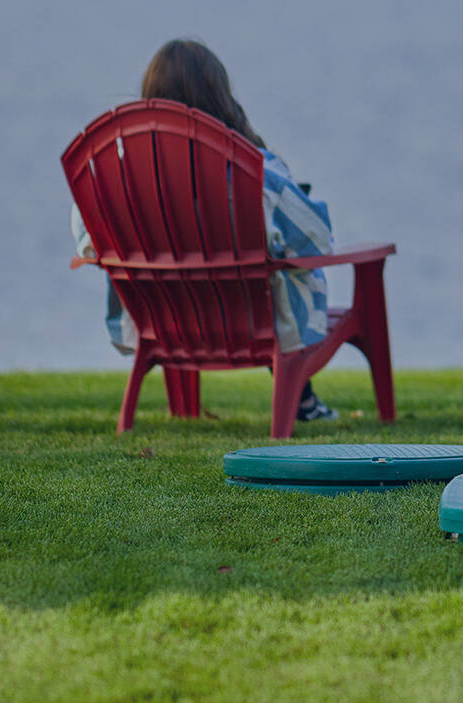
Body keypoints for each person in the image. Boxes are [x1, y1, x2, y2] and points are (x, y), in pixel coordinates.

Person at [71, 39, 338, 421]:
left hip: (164, 320)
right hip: (254, 321)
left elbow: (86, 235)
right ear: (220, 96)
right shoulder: (252, 167)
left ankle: (302, 402)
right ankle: (304, 402)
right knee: (275, 271)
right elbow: (317, 240)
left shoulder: (118, 170)